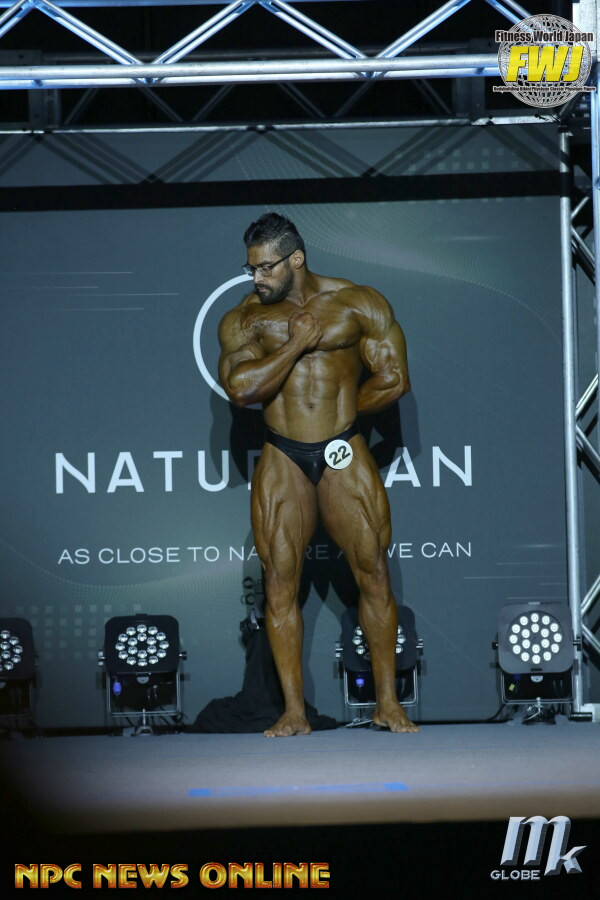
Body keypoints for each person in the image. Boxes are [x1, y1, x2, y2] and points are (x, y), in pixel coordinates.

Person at [218, 212, 418, 737]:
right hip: (282, 454)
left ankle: (388, 704)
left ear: (296, 259)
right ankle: (294, 712)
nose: (257, 277)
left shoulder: (358, 302)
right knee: (279, 584)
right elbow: (240, 390)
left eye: (266, 267)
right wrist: (295, 345)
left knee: (373, 572)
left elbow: (394, 378)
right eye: (251, 268)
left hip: (342, 447)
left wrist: (342, 414)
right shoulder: (245, 319)